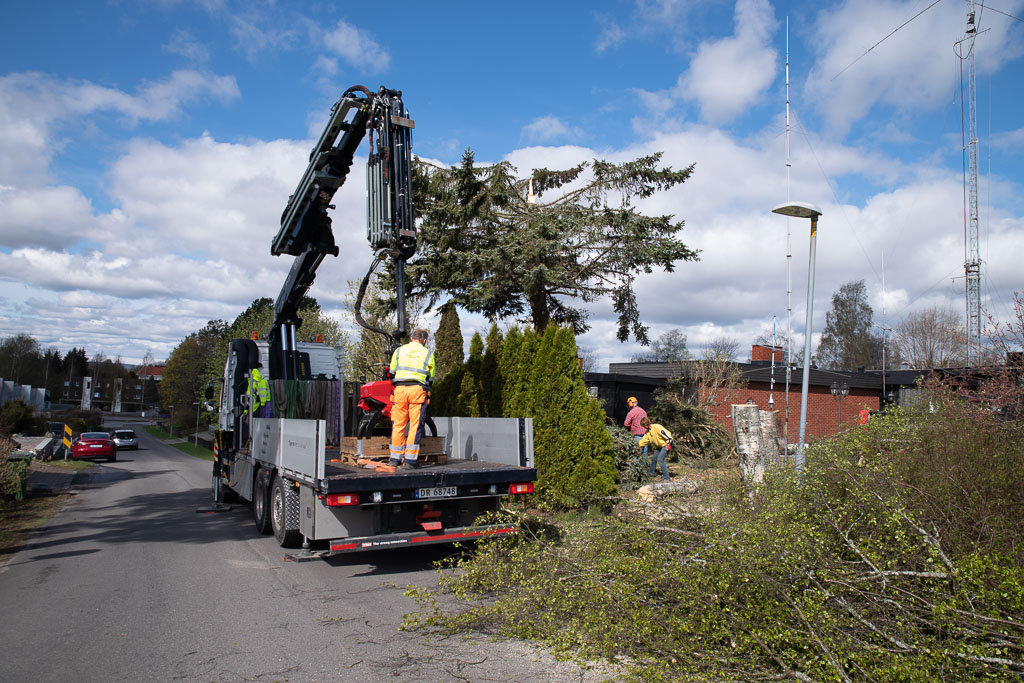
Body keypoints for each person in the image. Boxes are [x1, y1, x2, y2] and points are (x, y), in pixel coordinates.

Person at [388, 328, 436, 468]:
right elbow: (431, 377)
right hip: (417, 391)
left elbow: (391, 372)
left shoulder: (399, 351)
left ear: (411, 338)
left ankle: (394, 459)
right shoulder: (427, 353)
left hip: (400, 390)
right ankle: (410, 461)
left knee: (398, 425)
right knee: (415, 426)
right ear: (424, 340)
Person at [637, 416, 673, 482]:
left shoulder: (657, 427)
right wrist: (636, 446)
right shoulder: (647, 432)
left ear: (647, 424)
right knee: (654, 458)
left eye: (644, 426)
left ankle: (666, 478)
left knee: (660, 459)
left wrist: (668, 444)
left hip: (666, 444)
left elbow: (668, 436)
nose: (643, 427)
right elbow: (643, 441)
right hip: (659, 446)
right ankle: (650, 474)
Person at [623, 396, 648, 461]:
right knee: (644, 452)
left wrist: (624, 432)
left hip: (637, 434)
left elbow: (626, 424)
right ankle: (644, 466)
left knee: (637, 451)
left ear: (630, 404)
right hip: (646, 433)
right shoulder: (643, 411)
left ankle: (637, 466)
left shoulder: (631, 412)